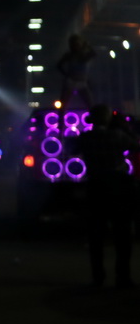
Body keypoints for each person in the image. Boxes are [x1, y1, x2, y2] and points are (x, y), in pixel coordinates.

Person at [77, 104, 136, 289]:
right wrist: (124, 127)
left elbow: (71, 148)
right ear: (109, 119)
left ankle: (98, 278)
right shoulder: (117, 136)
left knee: (96, 237)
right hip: (118, 188)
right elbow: (135, 145)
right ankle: (123, 277)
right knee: (123, 235)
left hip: (95, 187)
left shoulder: (86, 137)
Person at [57, 34, 96, 109]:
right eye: (74, 44)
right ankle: (61, 117)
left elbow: (93, 54)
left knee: (90, 104)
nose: (76, 46)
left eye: (77, 44)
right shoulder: (69, 55)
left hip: (82, 81)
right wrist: (66, 75)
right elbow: (59, 65)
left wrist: (87, 46)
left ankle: (94, 116)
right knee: (63, 105)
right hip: (71, 81)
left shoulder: (84, 55)